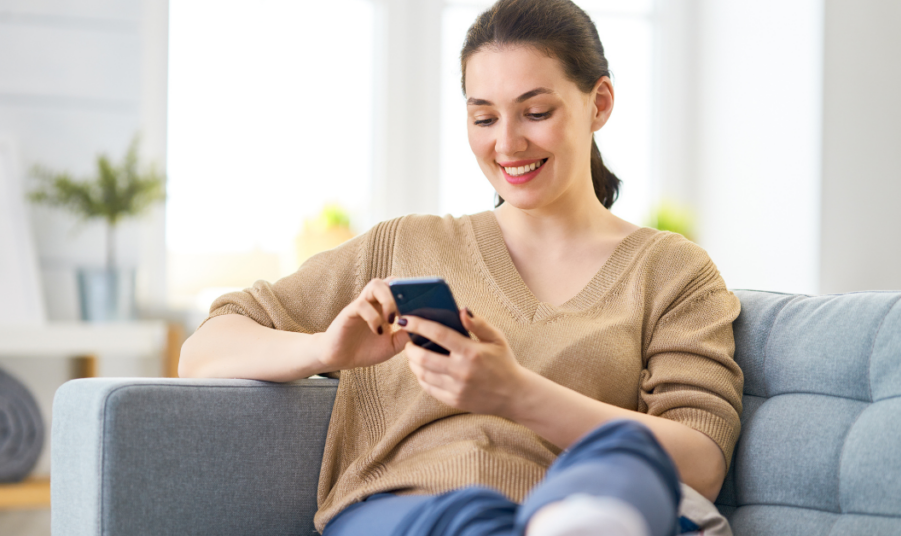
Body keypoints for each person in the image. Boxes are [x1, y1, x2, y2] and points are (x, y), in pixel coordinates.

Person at [178, 0, 743, 534]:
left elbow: (702, 460)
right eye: (484, 118)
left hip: (567, 505)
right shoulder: (404, 245)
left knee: (627, 457)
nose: (508, 143)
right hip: (409, 512)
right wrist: (326, 349)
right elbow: (203, 351)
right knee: (472, 517)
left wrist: (515, 393)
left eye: (536, 112)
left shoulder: (674, 271)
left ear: (599, 103)